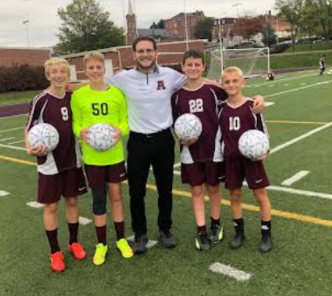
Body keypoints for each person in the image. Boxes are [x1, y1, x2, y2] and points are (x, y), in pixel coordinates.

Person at [104, 36, 266, 254]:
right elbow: (96, 85)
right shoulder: (124, 77)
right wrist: (62, 85)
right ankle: (140, 234)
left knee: (165, 189)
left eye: (149, 50)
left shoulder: (171, 76)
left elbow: (220, 86)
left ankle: (165, 230)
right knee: (136, 191)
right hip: (138, 140)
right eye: (141, 51)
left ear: (156, 52)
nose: (145, 54)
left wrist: (257, 97)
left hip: (165, 140)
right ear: (134, 54)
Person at [25, 57, 87, 272]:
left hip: (73, 160)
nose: (59, 75)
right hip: (50, 163)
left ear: (67, 74)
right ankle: (55, 252)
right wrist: (29, 147)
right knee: (51, 206)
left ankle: (74, 243)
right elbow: (29, 128)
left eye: (63, 71)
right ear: (47, 75)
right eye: (54, 72)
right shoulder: (40, 100)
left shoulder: (73, 97)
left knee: (72, 202)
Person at [71, 52, 133, 265]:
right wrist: (82, 132)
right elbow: (75, 124)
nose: (95, 71)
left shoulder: (117, 94)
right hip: (93, 158)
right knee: (98, 199)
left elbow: (125, 122)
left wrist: (119, 131)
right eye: (91, 68)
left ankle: (121, 239)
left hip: (114, 156)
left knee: (116, 196)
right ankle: (101, 244)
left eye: (98, 67)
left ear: (103, 69)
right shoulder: (78, 96)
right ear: (85, 70)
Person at [171, 50, 228, 251]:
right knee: (196, 190)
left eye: (197, 64)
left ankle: (216, 223)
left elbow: (235, 94)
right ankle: (201, 230)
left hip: (213, 148)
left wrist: (258, 99)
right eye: (189, 64)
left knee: (213, 187)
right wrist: (179, 137)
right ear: (183, 66)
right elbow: (174, 123)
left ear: (203, 66)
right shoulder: (177, 96)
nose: (193, 68)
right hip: (190, 151)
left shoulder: (214, 90)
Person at [218, 66, 272, 253]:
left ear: (243, 82)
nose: (231, 84)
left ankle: (266, 234)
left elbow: (262, 131)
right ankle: (239, 232)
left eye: (235, 81)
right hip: (231, 159)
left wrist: (265, 150)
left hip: (252, 159)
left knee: (260, 196)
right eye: (227, 81)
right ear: (222, 84)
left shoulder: (253, 106)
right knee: (234, 196)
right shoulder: (221, 109)